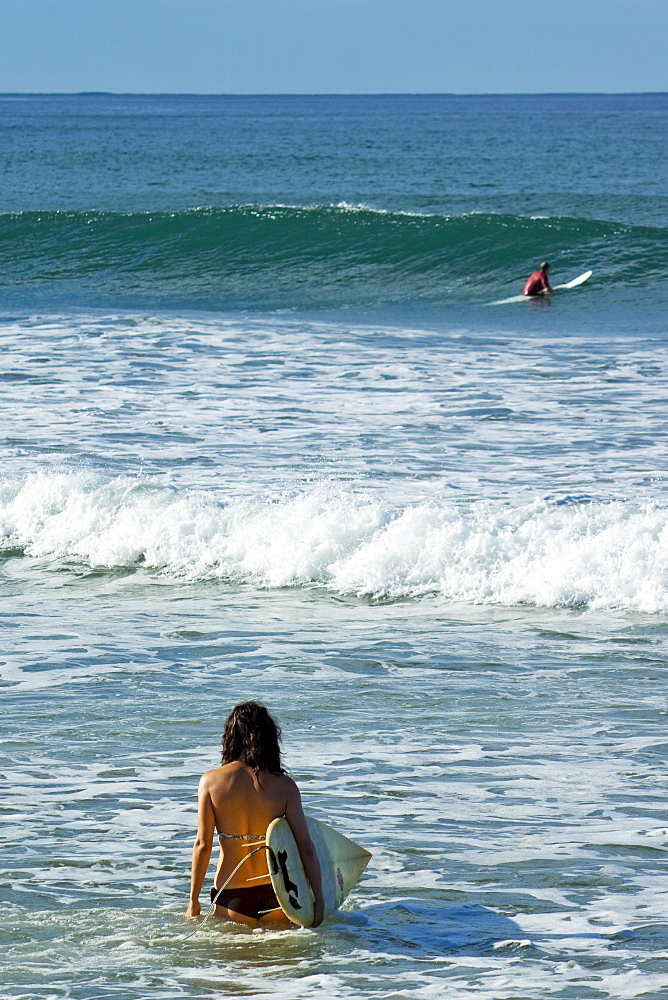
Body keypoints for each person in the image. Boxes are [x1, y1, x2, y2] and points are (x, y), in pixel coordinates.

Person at [185, 701, 324, 928]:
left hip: (231, 895)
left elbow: (203, 845)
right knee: (282, 962)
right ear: (270, 738)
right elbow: (305, 847)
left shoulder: (211, 781)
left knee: (236, 961)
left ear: (230, 738)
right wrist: (319, 899)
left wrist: (193, 901)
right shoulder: (285, 787)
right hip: (278, 894)